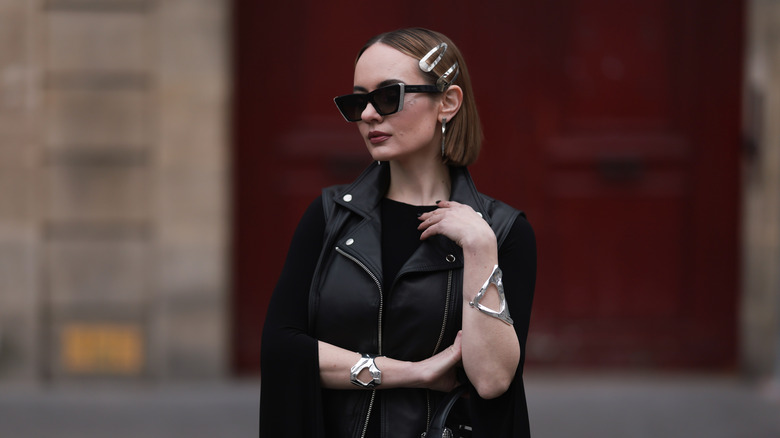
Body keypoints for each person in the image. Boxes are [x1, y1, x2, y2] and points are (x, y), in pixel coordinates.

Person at [259, 28, 536, 437]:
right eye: (358, 101)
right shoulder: (330, 217)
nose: (369, 114)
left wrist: (480, 249)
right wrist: (413, 373)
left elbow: (492, 380)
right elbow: (282, 349)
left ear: (448, 102)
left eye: (389, 97)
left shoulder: (502, 231)